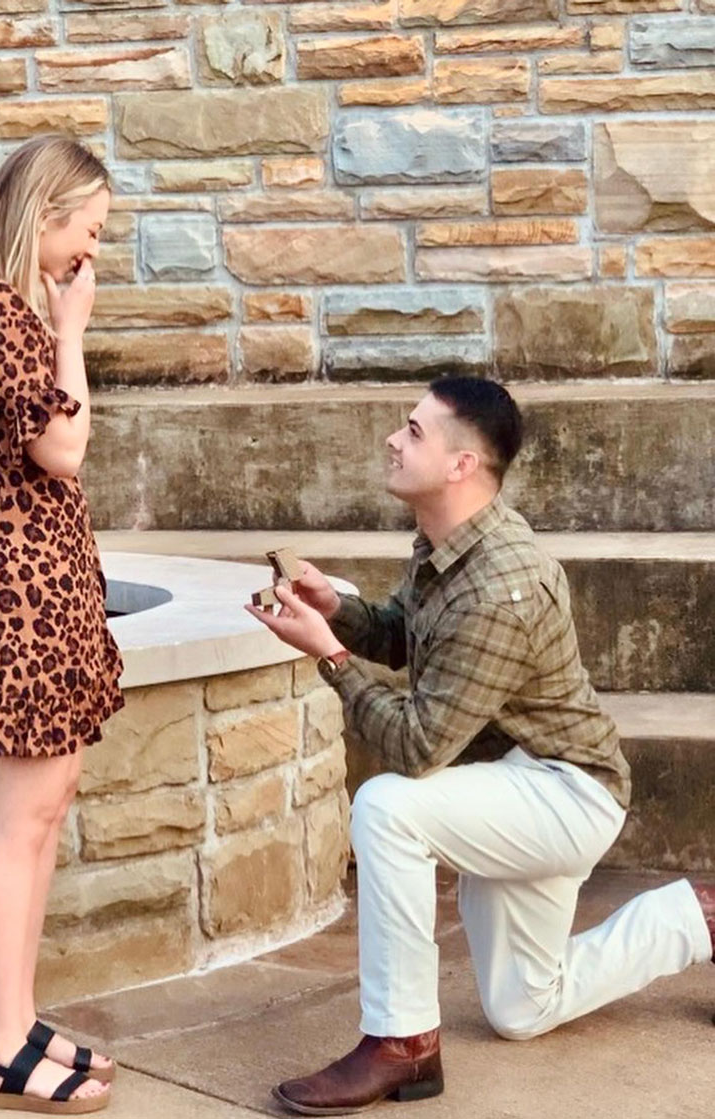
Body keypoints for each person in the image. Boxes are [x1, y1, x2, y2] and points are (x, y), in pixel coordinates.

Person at [247, 376, 715, 1116]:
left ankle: (402, 1042)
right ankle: (703, 916)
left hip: (566, 791)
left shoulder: (502, 585)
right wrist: (338, 609)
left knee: (388, 807)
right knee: (524, 1007)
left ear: (461, 464)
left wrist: (329, 657)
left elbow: (417, 746)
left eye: (413, 431)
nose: (393, 441)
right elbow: (408, 635)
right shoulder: (449, 543)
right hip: (512, 780)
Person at [0, 136, 125, 1114]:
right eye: (87, 229)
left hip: (42, 576)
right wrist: (71, 330)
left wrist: (59, 322)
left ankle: (20, 1018)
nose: (92, 251)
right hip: (13, 582)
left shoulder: (8, 305)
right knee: (16, 822)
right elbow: (62, 445)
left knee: (44, 810)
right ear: (44, 212)